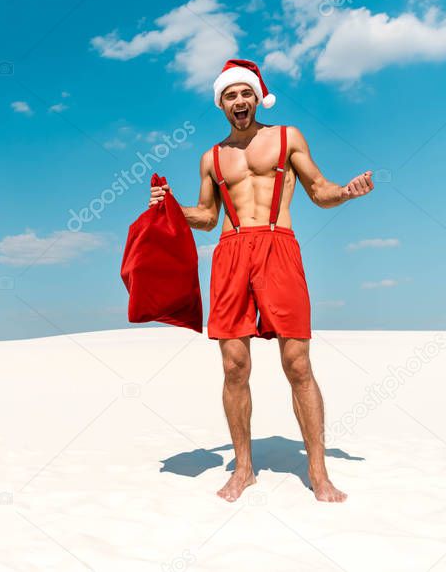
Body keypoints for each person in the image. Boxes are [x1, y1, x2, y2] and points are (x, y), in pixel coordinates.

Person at [148, 59, 374, 503]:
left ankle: (318, 472)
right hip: (230, 253)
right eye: (230, 95)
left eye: (245, 93)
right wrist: (171, 206)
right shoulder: (212, 157)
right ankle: (244, 469)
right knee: (234, 365)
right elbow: (208, 217)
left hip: (278, 247)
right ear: (221, 103)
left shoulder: (287, 137)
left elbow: (320, 189)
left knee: (298, 364)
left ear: (257, 96)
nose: (239, 101)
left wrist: (345, 193)